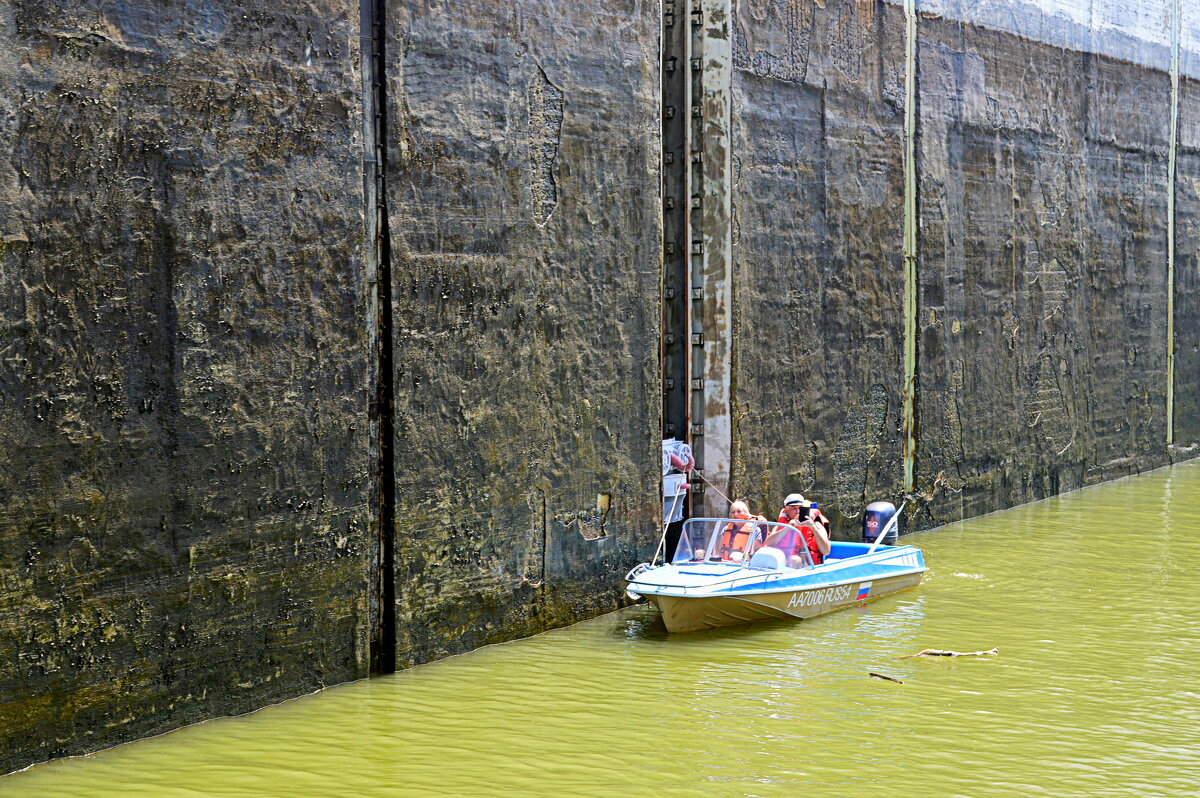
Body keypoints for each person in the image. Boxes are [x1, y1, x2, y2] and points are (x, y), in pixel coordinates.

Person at [767, 492, 831, 567]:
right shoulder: (781, 526)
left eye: (800, 508)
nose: (797, 511)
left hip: (808, 567)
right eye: (793, 508)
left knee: (794, 559)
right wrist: (788, 528)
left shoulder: (816, 524)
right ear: (786, 510)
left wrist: (813, 528)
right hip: (783, 566)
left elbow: (826, 551)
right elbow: (768, 544)